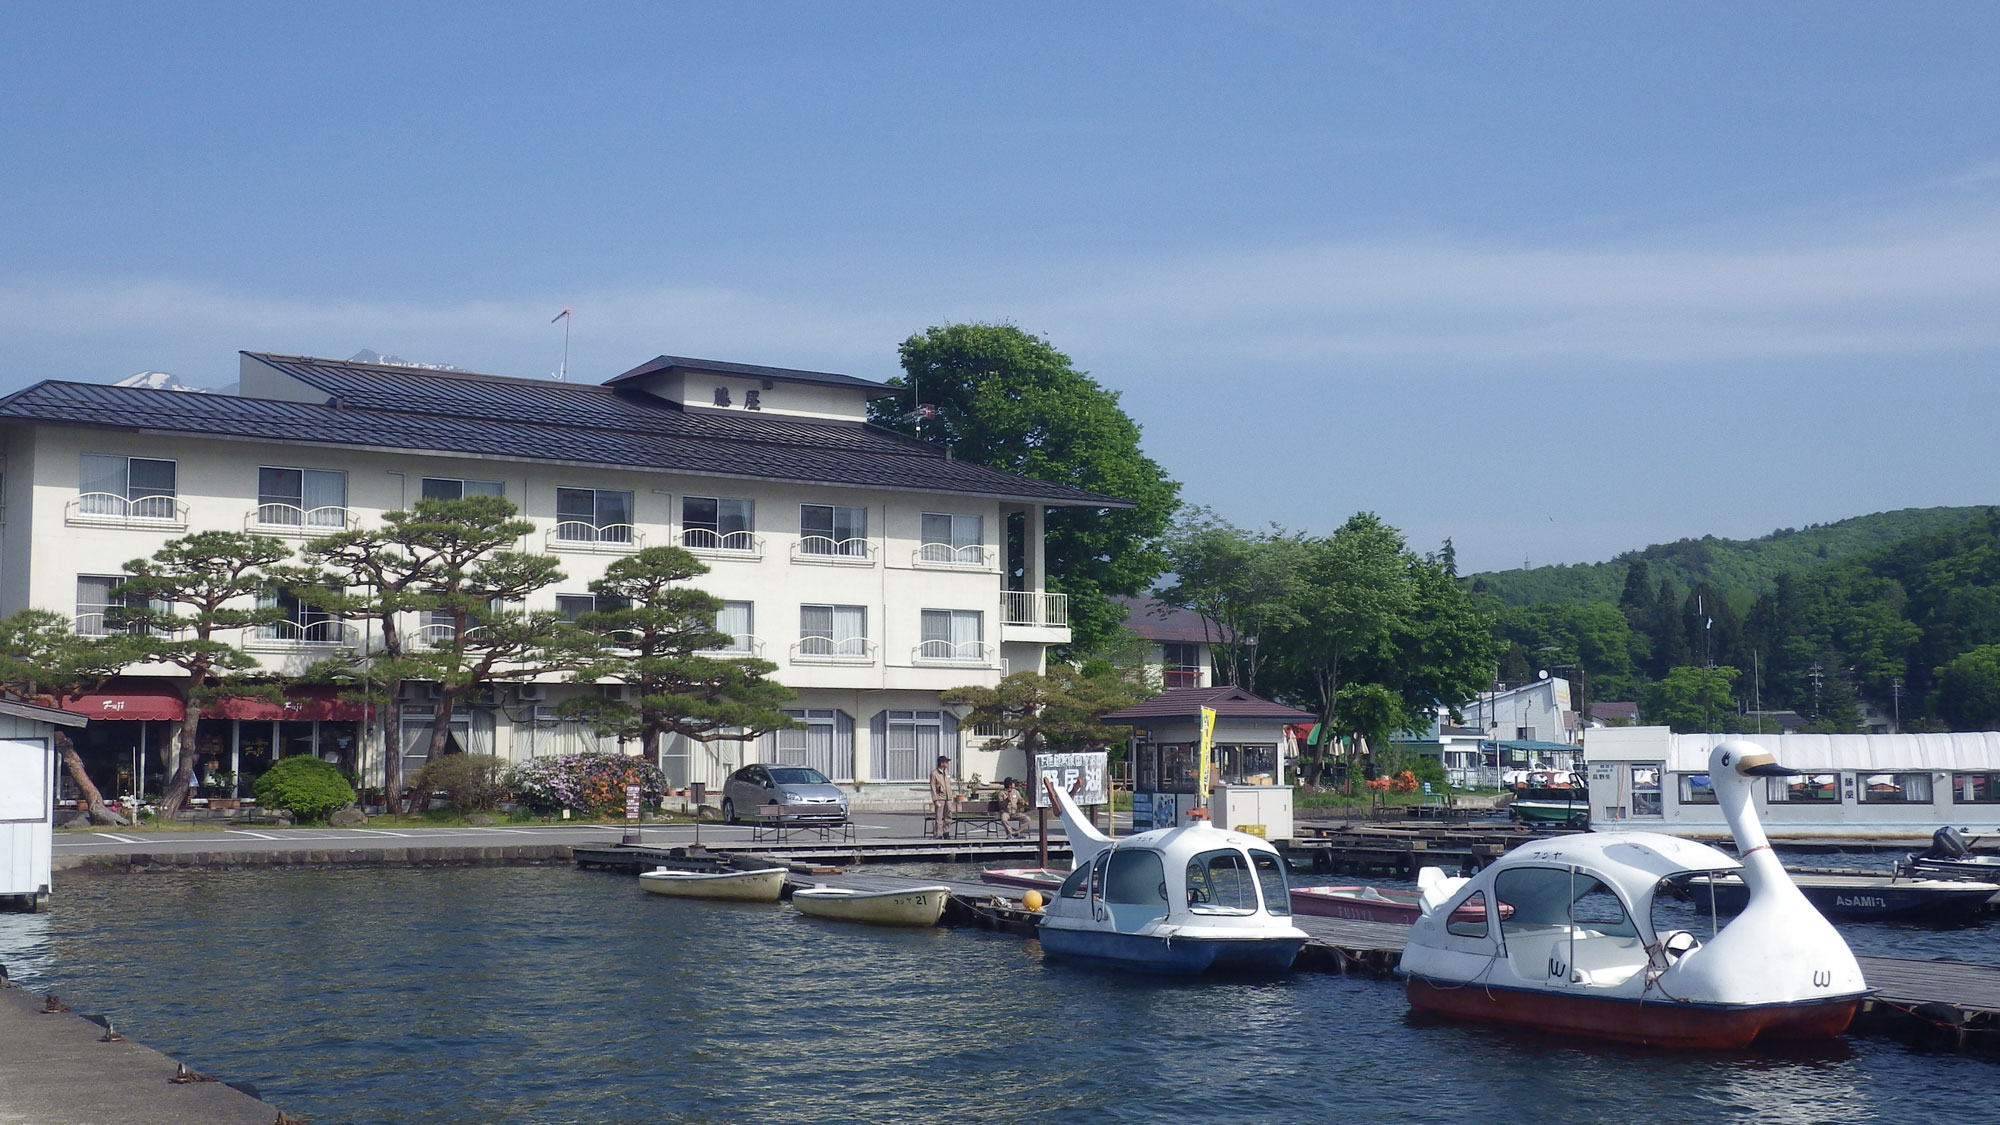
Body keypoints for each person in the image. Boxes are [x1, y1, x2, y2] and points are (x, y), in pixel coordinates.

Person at [928, 755, 955, 839]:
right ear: (942, 763)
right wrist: (935, 799)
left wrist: (951, 795)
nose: (947, 764)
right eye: (946, 762)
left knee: (948, 815)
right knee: (939, 816)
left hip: (948, 797)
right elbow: (933, 787)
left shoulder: (946, 772)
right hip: (940, 798)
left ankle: (946, 832)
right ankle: (938, 833)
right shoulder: (934, 774)